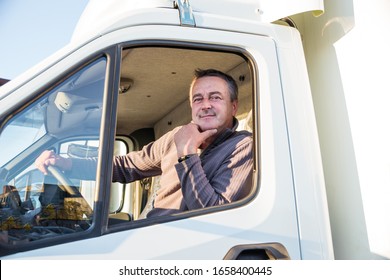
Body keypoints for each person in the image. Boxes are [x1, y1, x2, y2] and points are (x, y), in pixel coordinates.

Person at [35, 68, 253, 218]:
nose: (205, 105)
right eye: (198, 99)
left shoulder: (243, 147)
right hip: (152, 233)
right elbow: (126, 166)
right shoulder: (177, 135)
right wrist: (68, 163)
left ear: (233, 107)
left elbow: (212, 214)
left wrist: (186, 153)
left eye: (215, 97)